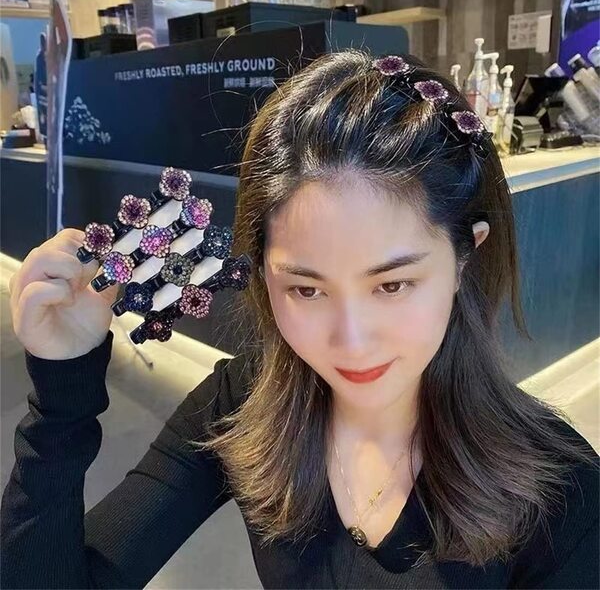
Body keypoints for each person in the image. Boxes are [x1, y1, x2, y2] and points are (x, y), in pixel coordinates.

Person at [1, 50, 598, 589]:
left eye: (392, 285)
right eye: (306, 289)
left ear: (466, 256)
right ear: (264, 272)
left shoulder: (561, 489)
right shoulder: (242, 406)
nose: (352, 342)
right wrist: (63, 390)